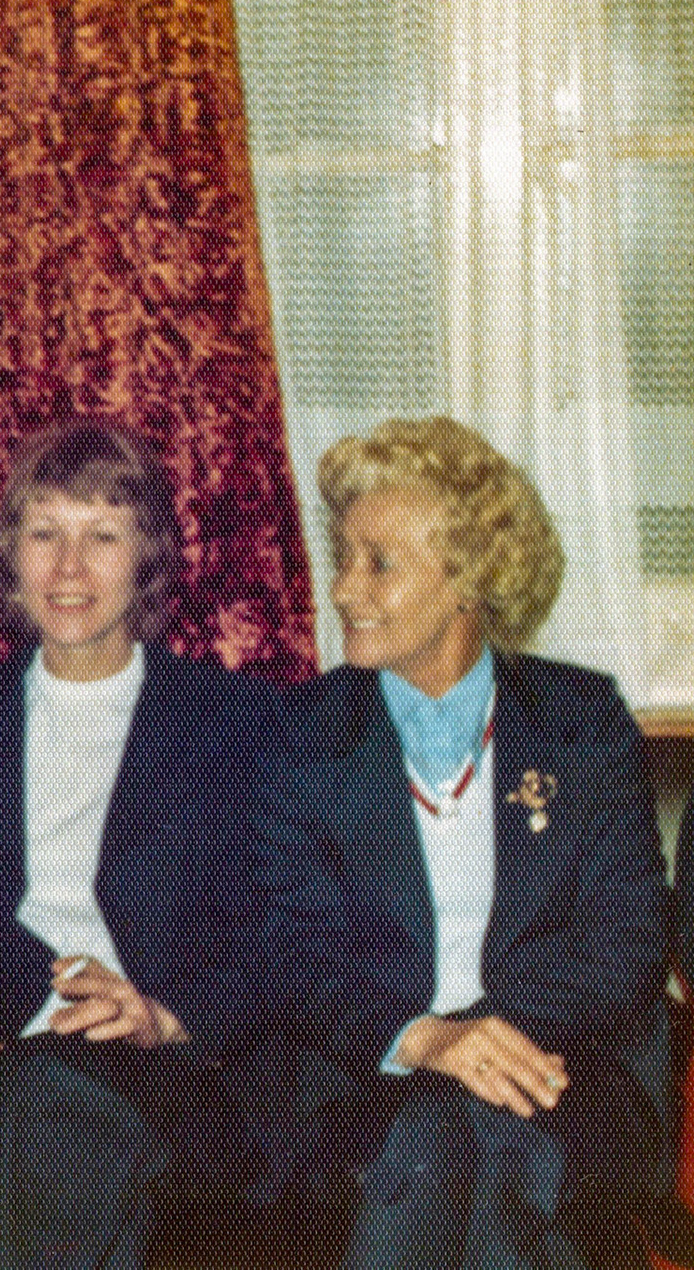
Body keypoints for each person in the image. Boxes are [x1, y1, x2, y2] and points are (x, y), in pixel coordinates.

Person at [255, 416, 668, 1269]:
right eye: (343, 557)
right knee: (449, 1133)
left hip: (561, 1068)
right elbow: (287, 947)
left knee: (467, 1129)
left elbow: (625, 937)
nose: (344, 589)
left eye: (378, 562)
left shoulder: (582, 721)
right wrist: (425, 1040)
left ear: (467, 581)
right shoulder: (297, 733)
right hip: (363, 1076)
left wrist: (485, 1038)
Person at [0, 420, 278, 1269]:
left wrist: (160, 1014)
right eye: (44, 534)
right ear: (12, 558)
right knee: (26, 1107)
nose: (69, 568)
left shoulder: (236, 722)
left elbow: (278, 936)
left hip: (171, 1072)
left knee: (34, 1115)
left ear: (146, 559)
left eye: (102, 536)